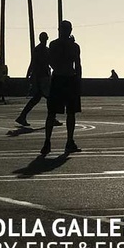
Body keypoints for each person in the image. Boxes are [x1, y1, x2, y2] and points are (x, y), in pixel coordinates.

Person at [40, 21, 82, 156]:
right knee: (68, 112)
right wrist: (78, 80)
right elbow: (78, 65)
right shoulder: (73, 46)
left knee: (55, 113)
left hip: (60, 78)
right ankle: (67, 141)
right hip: (67, 78)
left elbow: (50, 62)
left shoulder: (55, 45)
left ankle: (48, 142)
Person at [15, 32, 51, 126]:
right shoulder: (39, 50)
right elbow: (33, 63)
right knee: (48, 98)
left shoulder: (45, 50)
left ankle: (22, 116)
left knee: (37, 98)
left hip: (43, 76)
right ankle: (51, 117)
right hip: (41, 77)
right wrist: (28, 76)